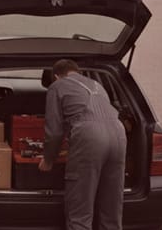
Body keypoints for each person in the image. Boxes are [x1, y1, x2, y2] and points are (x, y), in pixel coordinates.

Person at [38, 59, 127, 230]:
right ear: (77, 72)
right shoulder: (97, 85)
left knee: (80, 210)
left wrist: (48, 159)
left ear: (56, 76)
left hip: (90, 137)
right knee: (111, 208)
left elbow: (54, 130)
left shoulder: (57, 86)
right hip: (118, 134)